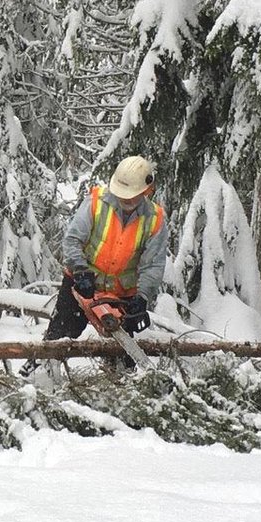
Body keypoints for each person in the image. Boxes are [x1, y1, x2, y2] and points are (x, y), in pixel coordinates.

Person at [22, 155, 168, 375]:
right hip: (83, 282)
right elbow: (72, 239)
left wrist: (142, 297)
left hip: (122, 293)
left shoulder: (154, 219)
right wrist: (80, 270)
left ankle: (119, 386)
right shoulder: (97, 202)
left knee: (122, 354)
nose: (125, 200)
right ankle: (35, 372)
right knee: (60, 334)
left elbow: (153, 265)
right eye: (122, 195)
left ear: (146, 192)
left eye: (131, 197)